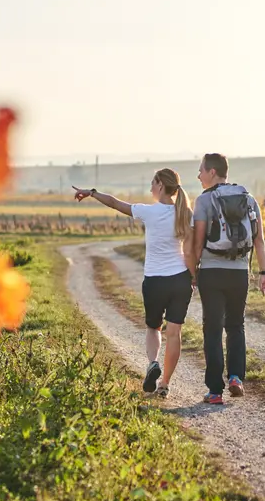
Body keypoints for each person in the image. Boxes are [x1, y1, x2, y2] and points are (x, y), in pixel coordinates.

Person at [73, 169, 196, 397]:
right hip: (180, 279)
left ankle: (152, 363)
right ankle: (165, 384)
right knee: (174, 333)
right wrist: (193, 276)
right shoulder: (186, 214)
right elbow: (189, 251)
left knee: (153, 327)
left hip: (154, 280)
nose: (150, 188)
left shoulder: (148, 212)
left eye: (152, 183)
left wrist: (92, 193)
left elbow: (114, 203)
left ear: (160, 185)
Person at [191, 153, 265, 405]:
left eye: (201, 170)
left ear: (212, 172)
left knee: (213, 329)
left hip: (212, 272)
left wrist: (192, 272)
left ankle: (215, 391)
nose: (199, 175)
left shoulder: (204, 200)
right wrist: (264, 273)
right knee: (236, 325)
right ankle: (236, 377)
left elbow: (198, 240)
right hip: (239, 273)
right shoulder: (249, 199)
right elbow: (259, 240)